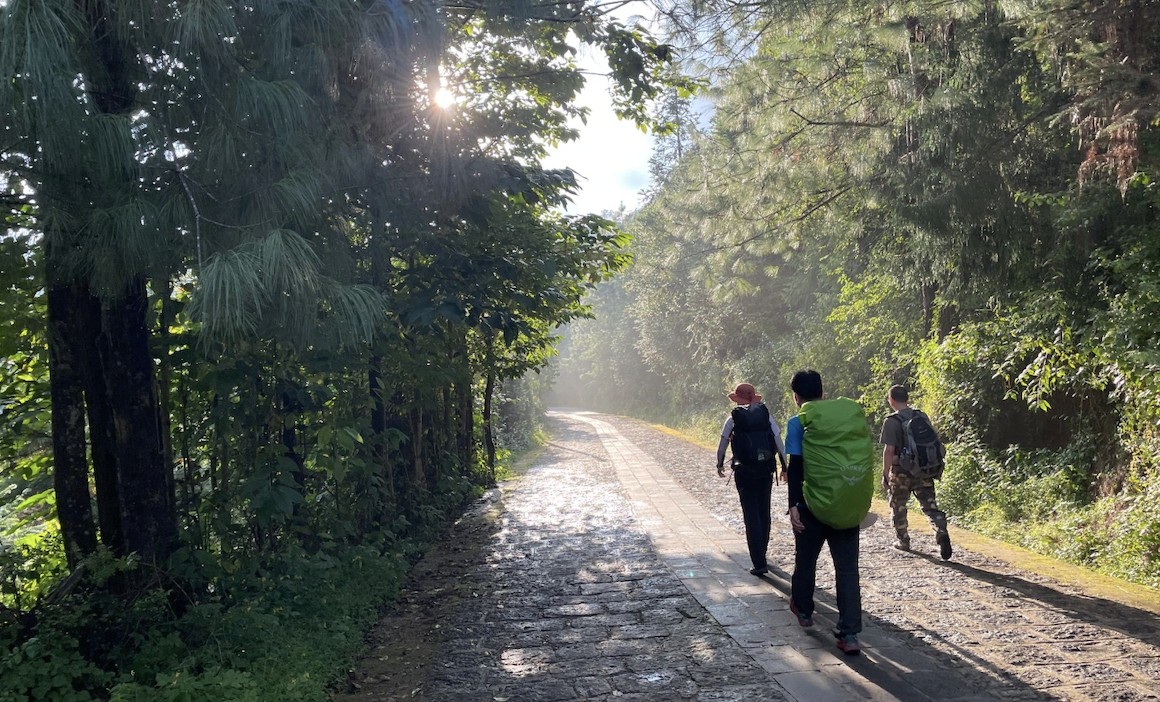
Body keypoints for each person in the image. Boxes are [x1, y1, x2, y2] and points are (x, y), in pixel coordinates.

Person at [785, 370, 864, 655]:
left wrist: (793, 504)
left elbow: (795, 466)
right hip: (846, 503)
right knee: (847, 570)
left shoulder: (799, 421)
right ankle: (850, 634)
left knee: (806, 560)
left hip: (811, 506)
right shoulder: (848, 418)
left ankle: (804, 611)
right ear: (823, 392)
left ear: (796, 396)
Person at [716, 383, 787, 576]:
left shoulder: (733, 418)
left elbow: (723, 443)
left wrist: (719, 463)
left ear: (738, 399)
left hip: (744, 471)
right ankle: (763, 553)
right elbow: (778, 440)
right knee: (764, 511)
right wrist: (784, 465)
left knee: (751, 514)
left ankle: (759, 562)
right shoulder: (765, 416)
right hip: (765, 469)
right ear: (754, 397)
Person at [881, 385, 953, 560]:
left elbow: (889, 450)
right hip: (923, 470)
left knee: (898, 506)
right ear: (907, 398)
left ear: (891, 401)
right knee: (930, 506)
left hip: (901, 473)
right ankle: (941, 530)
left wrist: (885, 474)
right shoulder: (921, 416)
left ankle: (903, 541)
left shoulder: (891, 421)